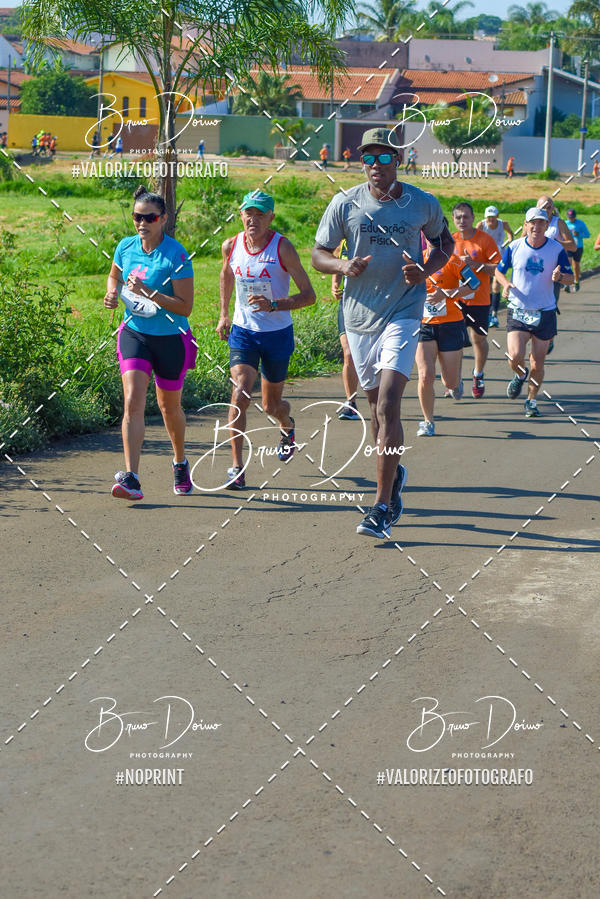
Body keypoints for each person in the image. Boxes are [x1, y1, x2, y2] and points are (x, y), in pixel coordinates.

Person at [312, 127, 454, 539]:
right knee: (376, 411)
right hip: (359, 318)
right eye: (369, 158)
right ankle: (393, 475)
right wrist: (342, 266)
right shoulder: (345, 203)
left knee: (390, 403)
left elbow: (443, 243)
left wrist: (426, 270)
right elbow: (319, 253)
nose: (376, 166)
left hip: (404, 312)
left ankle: (380, 506)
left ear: (399, 160)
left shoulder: (421, 203)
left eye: (384, 158)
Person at [217, 190, 316, 489]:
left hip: (276, 335)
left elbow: (309, 296)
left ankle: (287, 426)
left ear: (271, 217)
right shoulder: (231, 245)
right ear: (241, 214)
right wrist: (224, 313)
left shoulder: (282, 248)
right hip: (243, 333)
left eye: (260, 214)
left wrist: (274, 304)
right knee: (240, 394)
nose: (253, 219)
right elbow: (226, 275)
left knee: (271, 407)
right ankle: (237, 467)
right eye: (249, 212)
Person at [104, 185, 197, 500]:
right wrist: (112, 292)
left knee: (169, 408)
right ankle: (131, 477)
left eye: (150, 217)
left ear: (163, 219)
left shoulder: (176, 254)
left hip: (170, 337)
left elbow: (185, 307)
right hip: (135, 333)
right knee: (132, 400)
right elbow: (114, 274)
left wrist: (149, 292)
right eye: (137, 217)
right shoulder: (126, 247)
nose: (142, 223)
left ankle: (180, 461)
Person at [495, 207, 573, 418]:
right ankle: (520, 375)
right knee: (515, 355)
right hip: (518, 308)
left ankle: (531, 400)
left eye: (541, 223)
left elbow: (571, 278)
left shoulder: (556, 249)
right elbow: (499, 271)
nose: (537, 226)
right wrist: (504, 284)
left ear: (547, 226)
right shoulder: (515, 246)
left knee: (538, 363)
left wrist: (560, 278)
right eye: (533, 222)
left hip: (545, 311)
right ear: (526, 224)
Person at [415, 244, 473, 437]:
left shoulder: (454, 260)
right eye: (430, 235)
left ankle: (456, 382)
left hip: (451, 324)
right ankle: (427, 421)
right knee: (425, 375)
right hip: (423, 324)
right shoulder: (416, 259)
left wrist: (446, 293)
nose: (434, 239)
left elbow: (474, 284)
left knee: (449, 382)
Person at [452, 201, 501, 398]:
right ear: (454, 220)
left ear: (473, 218)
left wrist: (475, 265)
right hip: (454, 299)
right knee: (454, 342)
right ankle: (454, 379)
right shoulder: (450, 241)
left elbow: (498, 268)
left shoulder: (485, 240)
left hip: (479, 299)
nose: (462, 220)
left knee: (477, 339)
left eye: (466, 217)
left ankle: (478, 374)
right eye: (458, 217)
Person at [332, 240, 360, 420]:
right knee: (348, 354)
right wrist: (335, 284)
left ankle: (383, 399)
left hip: (375, 303)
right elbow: (337, 264)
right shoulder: (343, 242)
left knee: (375, 356)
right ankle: (350, 403)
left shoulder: (375, 235)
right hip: (347, 303)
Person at [476, 205, 514, 327]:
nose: (491, 220)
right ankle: (487, 313)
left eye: (493, 217)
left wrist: (506, 243)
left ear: (497, 216)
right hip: (485, 257)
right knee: (486, 286)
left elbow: (510, 234)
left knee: (496, 285)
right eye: (489, 218)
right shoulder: (481, 225)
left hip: (499, 257)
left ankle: (494, 314)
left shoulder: (503, 224)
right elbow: (474, 238)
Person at [565, 208, 590, 291]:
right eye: (569, 217)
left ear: (575, 217)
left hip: (578, 247)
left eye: (572, 217)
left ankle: (576, 281)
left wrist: (579, 234)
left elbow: (587, 235)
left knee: (575, 265)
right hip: (568, 246)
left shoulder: (580, 223)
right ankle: (567, 283)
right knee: (568, 263)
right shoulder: (565, 223)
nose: (571, 219)